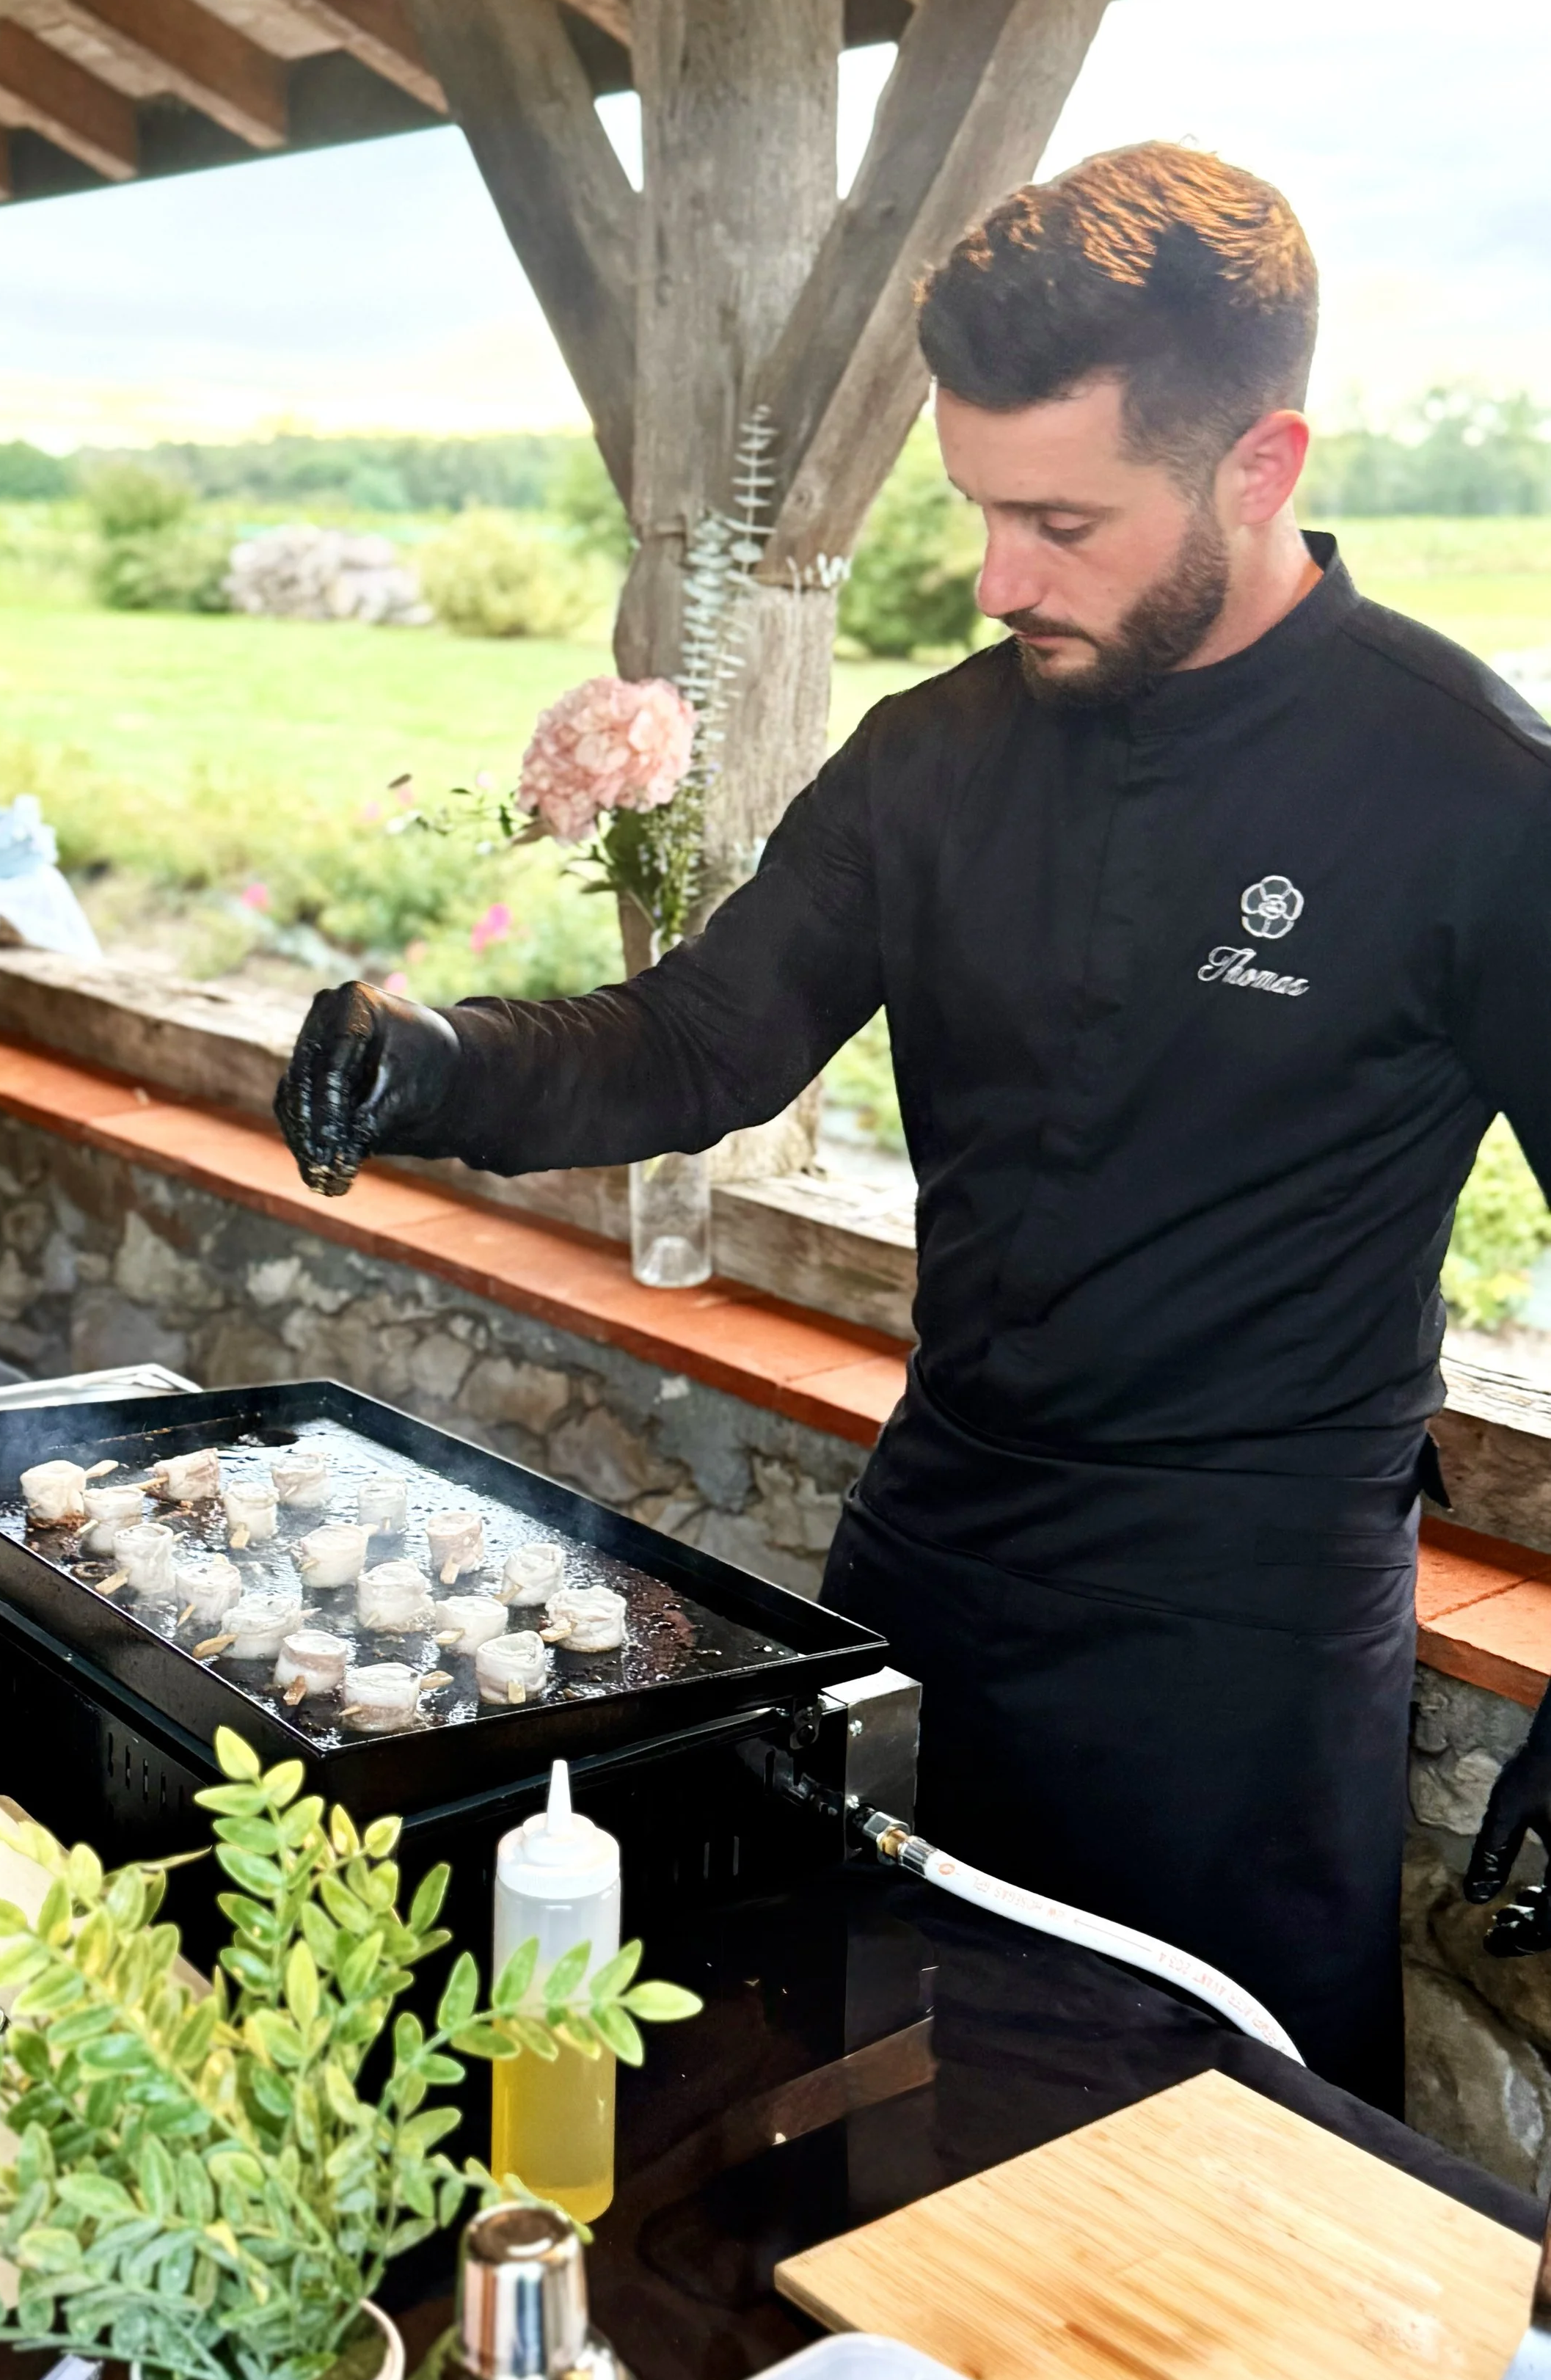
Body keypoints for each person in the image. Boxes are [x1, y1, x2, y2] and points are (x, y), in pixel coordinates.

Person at [273, 142, 1551, 2113]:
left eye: (1060, 519)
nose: (997, 578)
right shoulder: (935, 750)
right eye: (977, 512)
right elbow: (702, 1037)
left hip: (1241, 1632)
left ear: (1259, 466)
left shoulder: (1468, 790)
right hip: (934, 1548)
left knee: (1204, 2193)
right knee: (863, 2091)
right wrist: (434, 1055)